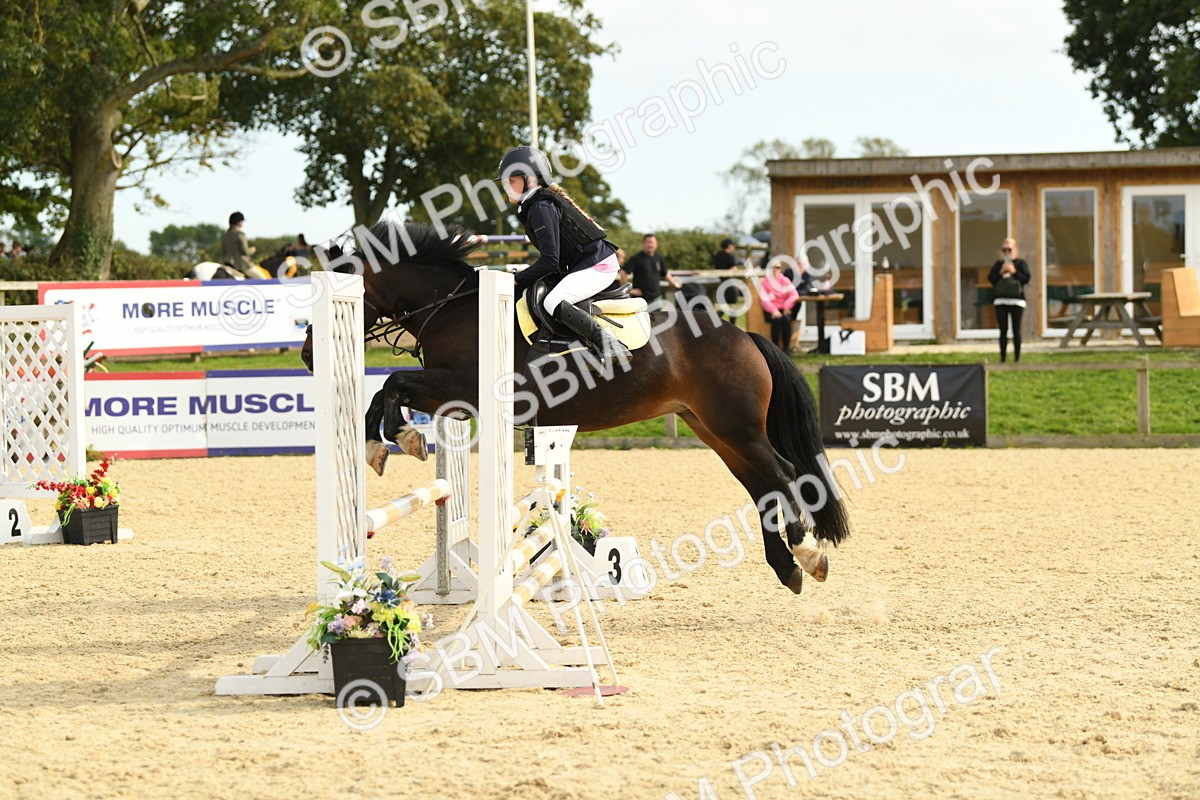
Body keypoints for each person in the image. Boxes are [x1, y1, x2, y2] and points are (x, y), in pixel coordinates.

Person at [499, 145, 629, 366]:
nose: (506, 187)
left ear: (530, 179)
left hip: (597, 265)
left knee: (553, 301)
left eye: (511, 180)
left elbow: (550, 260)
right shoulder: (536, 205)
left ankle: (610, 344)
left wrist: (517, 278)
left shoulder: (541, 206)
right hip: (587, 263)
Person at [988, 237, 1031, 362]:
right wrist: (1001, 271)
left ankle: (1017, 358)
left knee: (1016, 330)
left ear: (1015, 250)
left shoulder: (1021, 264)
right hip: (1001, 301)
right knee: (1003, 330)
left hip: (1017, 301)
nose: (1007, 252)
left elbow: (1026, 279)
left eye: (1009, 249)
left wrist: (1014, 271)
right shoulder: (998, 264)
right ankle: (1003, 358)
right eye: (1004, 250)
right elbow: (991, 279)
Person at [624, 233, 681, 310]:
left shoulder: (659, 258)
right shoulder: (636, 258)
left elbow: (665, 274)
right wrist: (629, 290)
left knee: (658, 321)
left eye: (652, 242)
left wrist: (676, 285)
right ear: (643, 244)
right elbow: (623, 273)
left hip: (656, 298)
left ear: (656, 244)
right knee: (641, 321)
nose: (650, 245)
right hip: (640, 300)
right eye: (648, 242)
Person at [758, 260, 801, 352]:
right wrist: (773, 310)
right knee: (776, 320)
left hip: (785, 309)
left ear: (780, 269)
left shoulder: (785, 280)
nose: (775, 270)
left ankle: (786, 347)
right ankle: (775, 347)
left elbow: (794, 294)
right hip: (771, 310)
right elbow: (764, 300)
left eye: (777, 267)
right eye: (773, 267)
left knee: (786, 320)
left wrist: (786, 306)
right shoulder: (765, 282)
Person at [222, 212, 257, 277]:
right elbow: (245, 251)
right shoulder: (240, 233)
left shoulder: (226, 235)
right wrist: (252, 250)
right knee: (263, 278)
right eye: (242, 222)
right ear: (238, 222)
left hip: (227, 263)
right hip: (241, 265)